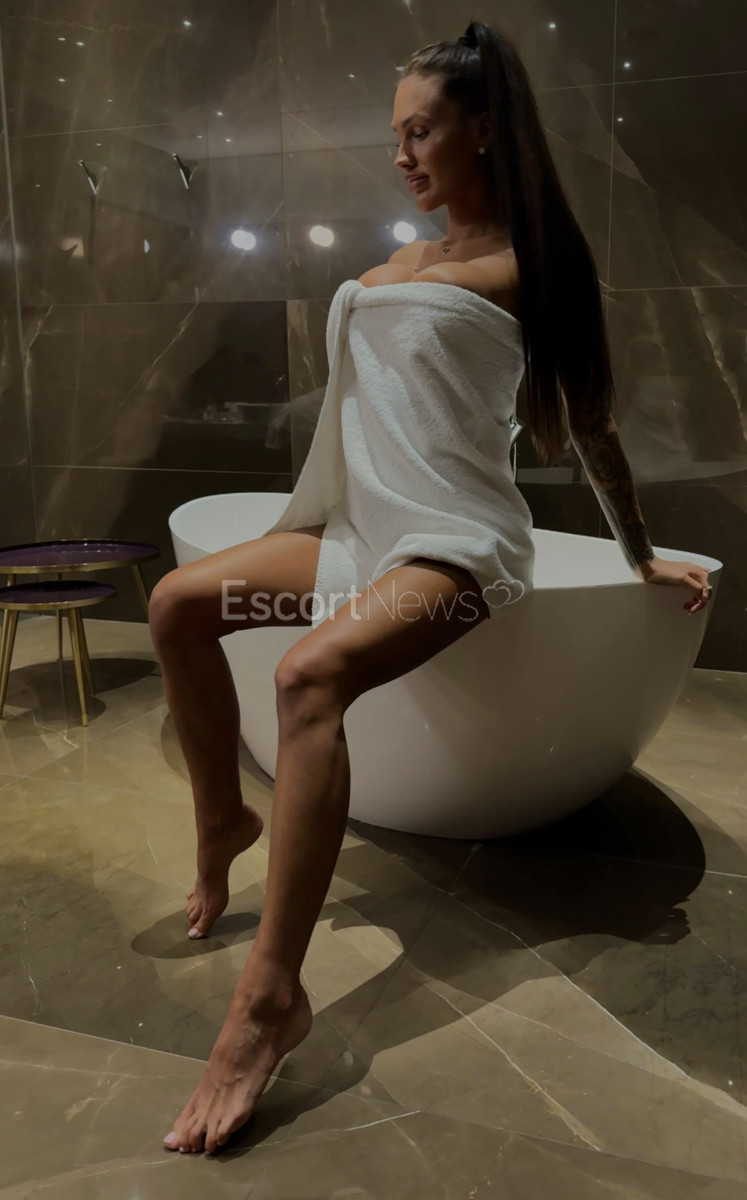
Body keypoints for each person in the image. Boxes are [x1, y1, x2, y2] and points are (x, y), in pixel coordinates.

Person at [150, 21, 712, 1157]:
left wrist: (639, 552)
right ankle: (223, 817)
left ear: (484, 130)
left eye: (420, 131)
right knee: (176, 607)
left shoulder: (538, 269)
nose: (400, 154)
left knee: (308, 679)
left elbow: (592, 426)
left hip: (457, 550)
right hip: (358, 533)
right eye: (396, 134)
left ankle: (269, 1000)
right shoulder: (404, 257)